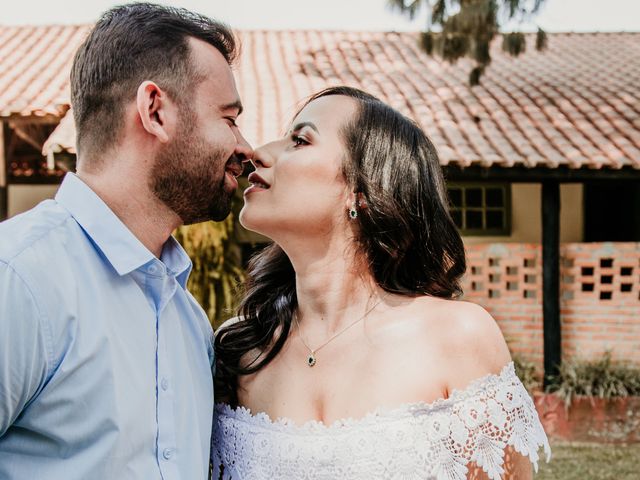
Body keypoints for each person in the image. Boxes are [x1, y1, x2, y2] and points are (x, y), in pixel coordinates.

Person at [213, 86, 551, 479]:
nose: (260, 152)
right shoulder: (240, 350)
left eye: (300, 140)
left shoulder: (458, 337)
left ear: (361, 191)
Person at [0, 4, 251, 479]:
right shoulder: (18, 279)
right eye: (229, 118)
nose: (245, 146)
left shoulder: (190, 321)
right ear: (154, 111)